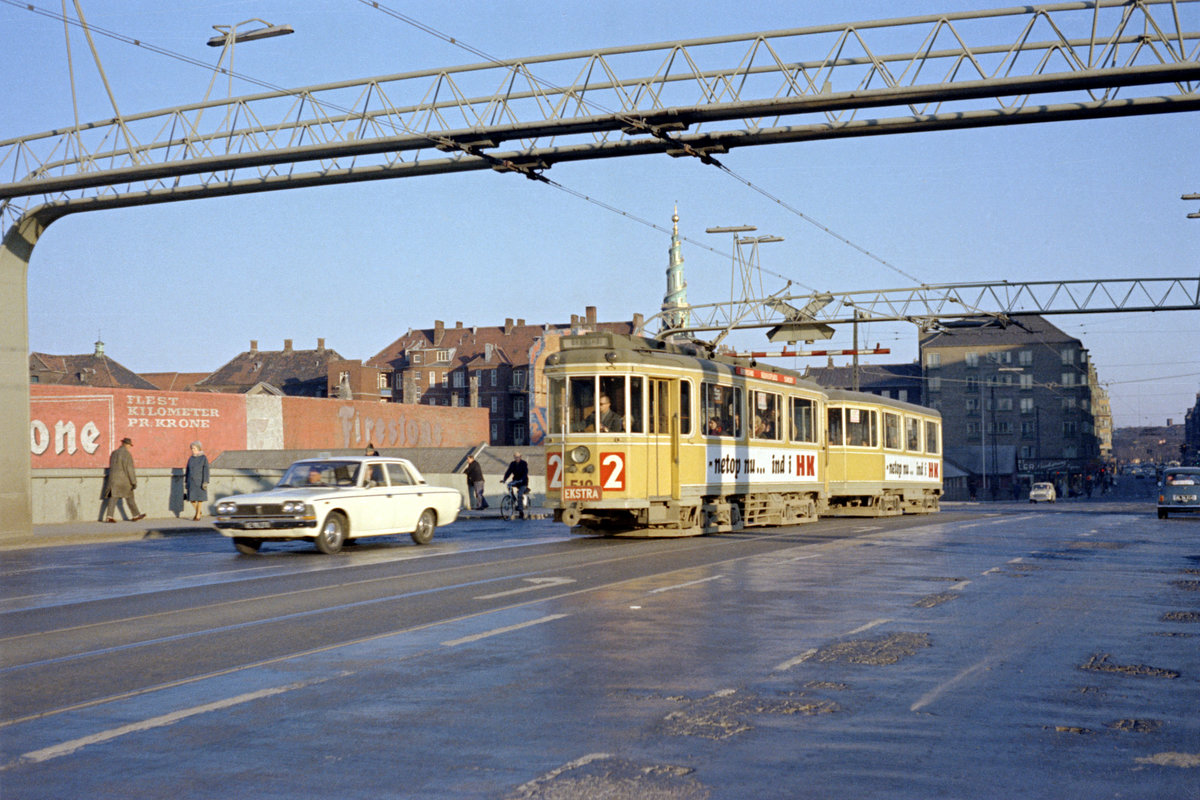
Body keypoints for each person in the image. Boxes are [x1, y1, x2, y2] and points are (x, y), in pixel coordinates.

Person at [102, 437, 145, 522]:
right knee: (130, 498)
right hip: (124, 481)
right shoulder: (127, 454)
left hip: (113, 479)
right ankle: (135, 515)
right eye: (130, 445)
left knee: (113, 498)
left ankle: (109, 517)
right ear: (127, 444)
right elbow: (129, 469)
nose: (130, 447)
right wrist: (133, 481)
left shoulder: (114, 453)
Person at [184, 441, 210, 521]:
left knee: (199, 499)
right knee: (191, 499)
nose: (192, 450)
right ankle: (198, 511)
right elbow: (187, 470)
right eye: (192, 448)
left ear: (198, 448)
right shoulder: (190, 458)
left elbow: (206, 470)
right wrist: (186, 481)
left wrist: (205, 481)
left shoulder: (203, 458)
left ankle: (198, 515)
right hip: (191, 481)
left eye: (194, 448)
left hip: (200, 481)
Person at [501, 451, 530, 518]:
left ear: (520, 457)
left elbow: (525, 472)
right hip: (516, 480)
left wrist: (522, 479)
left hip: (523, 481)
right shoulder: (512, 464)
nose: (516, 458)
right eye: (515, 457)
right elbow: (508, 471)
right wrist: (504, 479)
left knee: (520, 494)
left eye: (518, 457)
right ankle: (513, 499)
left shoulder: (524, 463)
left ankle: (521, 511)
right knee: (509, 485)